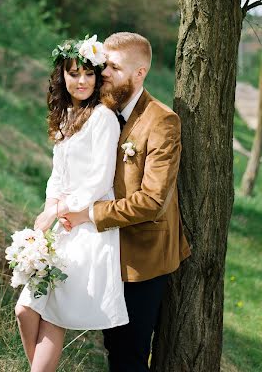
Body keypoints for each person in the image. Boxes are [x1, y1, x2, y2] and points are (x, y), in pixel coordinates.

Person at [63, 32, 191, 372]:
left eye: (114, 68)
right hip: (105, 248)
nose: (103, 73)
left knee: (129, 354)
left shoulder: (162, 121)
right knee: (113, 346)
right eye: (103, 64)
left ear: (140, 73)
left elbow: (152, 201)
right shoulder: (96, 112)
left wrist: (88, 214)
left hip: (143, 258)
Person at [15, 34, 129, 372]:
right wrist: (47, 209)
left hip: (87, 227)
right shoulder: (66, 116)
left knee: (51, 316)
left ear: (97, 77)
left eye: (89, 74)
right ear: (62, 76)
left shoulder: (103, 118)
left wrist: (59, 210)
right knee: (25, 311)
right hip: (61, 224)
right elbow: (58, 174)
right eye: (73, 73)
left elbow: (99, 179)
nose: (81, 81)